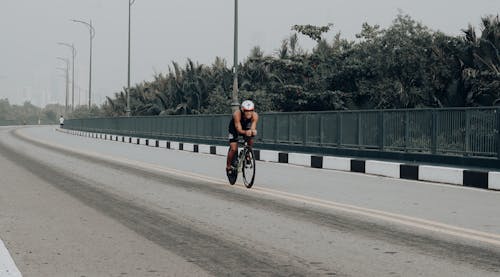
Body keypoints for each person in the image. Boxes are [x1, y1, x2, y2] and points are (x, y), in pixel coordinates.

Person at [226, 100, 259, 175]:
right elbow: (239, 129)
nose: (249, 113)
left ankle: (247, 153)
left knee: (250, 136)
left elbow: (252, 128)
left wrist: (253, 131)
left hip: (246, 126)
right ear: (243, 110)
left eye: (251, 111)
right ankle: (228, 166)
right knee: (234, 148)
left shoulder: (255, 116)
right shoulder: (237, 114)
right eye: (247, 111)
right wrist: (245, 132)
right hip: (234, 129)